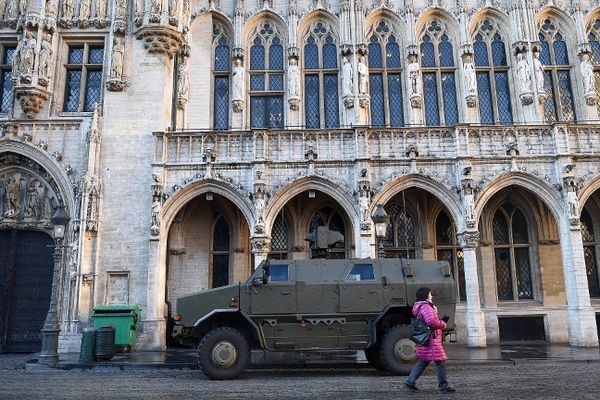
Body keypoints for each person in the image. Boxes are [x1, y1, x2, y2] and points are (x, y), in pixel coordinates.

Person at [405, 287, 455, 394]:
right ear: (426, 295)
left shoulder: (419, 306)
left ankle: (410, 382)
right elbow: (431, 321)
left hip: (425, 338)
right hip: (432, 338)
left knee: (424, 360)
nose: (431, 296)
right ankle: (443, 386)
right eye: (430, 294)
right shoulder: (426, 306)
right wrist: (443, 323)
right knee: (440, 361)